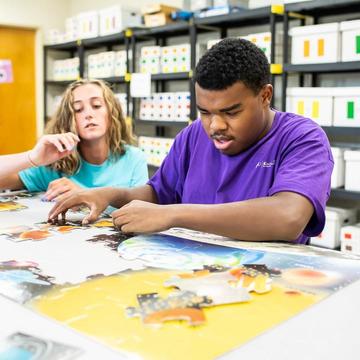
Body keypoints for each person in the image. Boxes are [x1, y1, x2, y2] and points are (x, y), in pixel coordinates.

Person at [48, 38, 333, 244]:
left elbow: (288, 217)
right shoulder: (192, 135)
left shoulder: (302, 138)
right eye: (205, 112)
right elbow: (160, 194)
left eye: (231, 112)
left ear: (265, 95)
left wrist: (173, 215)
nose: (215, 126)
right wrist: (110, 194)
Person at [0, 79, 148, 200]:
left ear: (112, 112)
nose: (88, 114)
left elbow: (142, 213)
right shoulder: (57, 163)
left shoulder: (134, 158)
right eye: (78, 109)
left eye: (96, 105)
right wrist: (32, 158)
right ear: (69, 120)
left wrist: (84, 196)